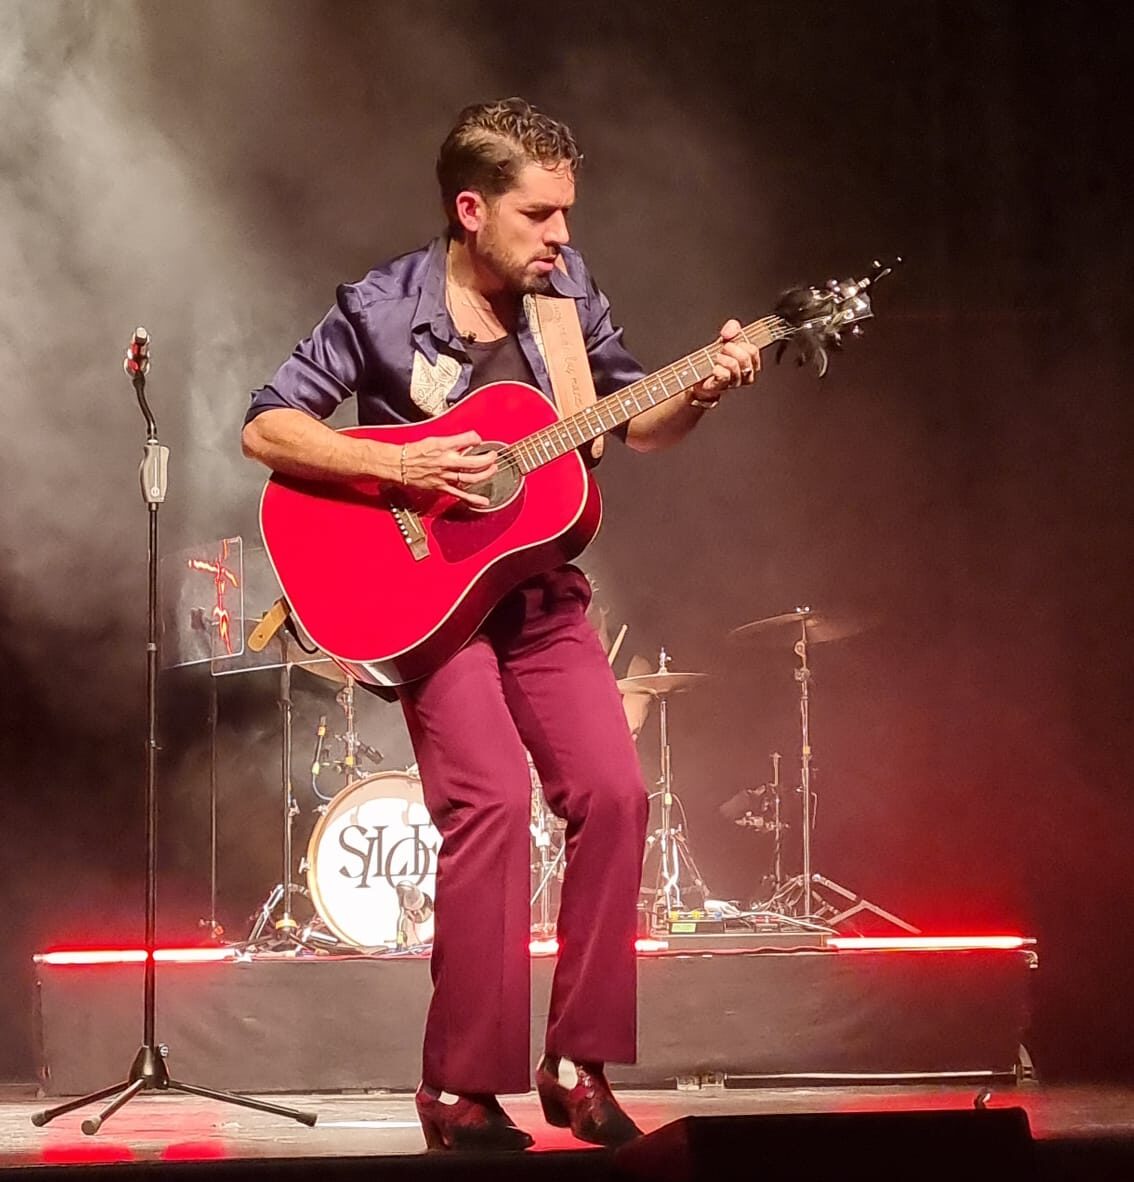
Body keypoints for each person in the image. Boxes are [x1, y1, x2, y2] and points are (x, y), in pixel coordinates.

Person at [241, 97, 761, 1152]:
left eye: (567, 213)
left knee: (615, 794)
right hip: (425, 601)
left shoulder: (565, 298)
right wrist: (399, 460)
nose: (561, 235)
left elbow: (636, 421)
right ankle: (458, 1087)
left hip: (535, 587)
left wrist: (701, 390)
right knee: (487, 800)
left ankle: (578, 1060)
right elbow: (267, 426)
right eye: (539, 215)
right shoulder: (381, 306)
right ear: (471, 210)